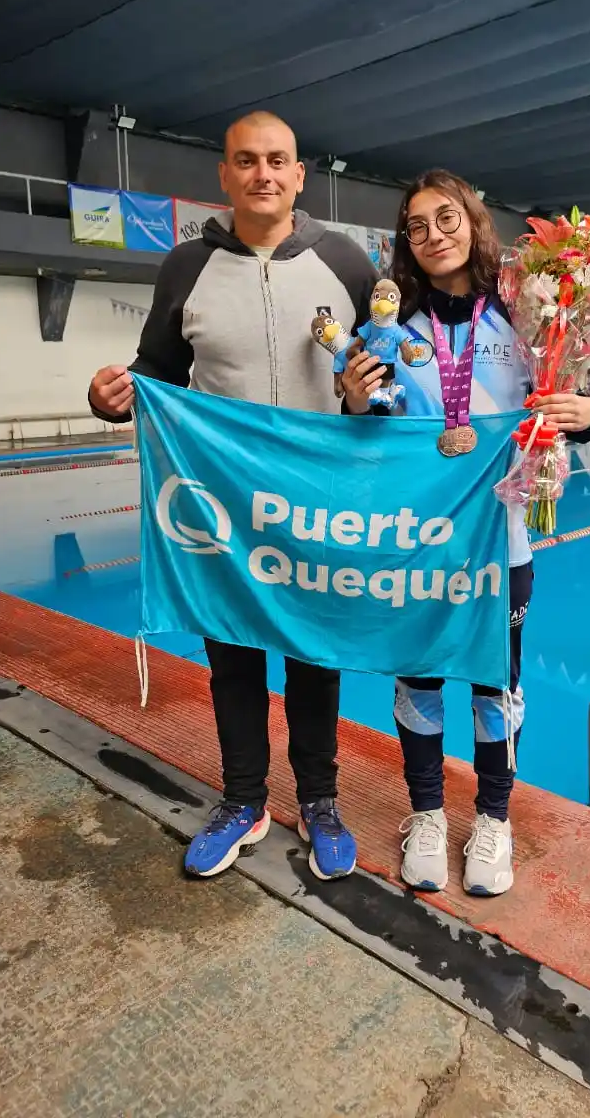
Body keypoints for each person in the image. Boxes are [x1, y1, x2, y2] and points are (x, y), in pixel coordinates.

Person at [89, 111, 378, 881]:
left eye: (277, 160)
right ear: (224, 175)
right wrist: (110, 398)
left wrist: (360, 403)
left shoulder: (347, 264)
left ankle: (319, 801)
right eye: (246, 161)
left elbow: (383, 388)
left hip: (319, 502)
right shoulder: (186, 266)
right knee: (235, 661)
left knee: (316, 659)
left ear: (299, 174)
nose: (263, 175)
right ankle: (244, 801)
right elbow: (156, 375)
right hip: (224, 509)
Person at [342, 170, 590, 896]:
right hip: (417, 540)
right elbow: (374, 432)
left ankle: (493, 820)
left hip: (503, 538)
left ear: (474, 223)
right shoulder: (393, 330)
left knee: (496, 684)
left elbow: (562, 399)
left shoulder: (523, 318)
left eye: (446, 218)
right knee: (419, 678)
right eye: (416, 225)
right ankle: (426, 812)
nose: (432, 235)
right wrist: (358, 403)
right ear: (404, 243)